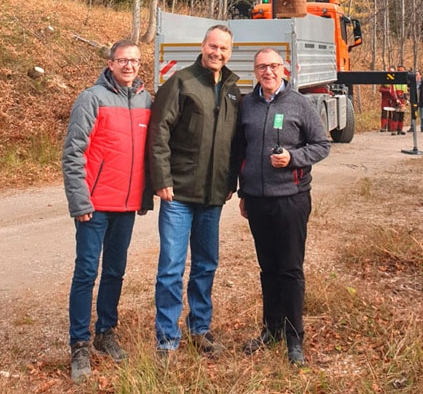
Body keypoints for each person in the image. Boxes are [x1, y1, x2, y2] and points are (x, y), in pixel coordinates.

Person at [62, 39, 152, 382]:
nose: (129, 66)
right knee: (86, 272)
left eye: (134, 61)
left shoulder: (145, 100)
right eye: (122, 60)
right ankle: (79, 344)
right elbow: (73, 153)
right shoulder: (91, 98)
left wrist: (143, 197)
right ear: (110, 64)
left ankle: (105, 333)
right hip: (94, 206)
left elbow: (147, 154)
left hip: (126, 206)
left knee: (115, 271)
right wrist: (79, 201)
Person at [148, 25, 241, 356]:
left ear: (231, 52)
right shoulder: (181, 81)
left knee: (206, 265)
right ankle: (167, 340)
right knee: (172, 268)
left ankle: (199, 329)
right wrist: (162, 178)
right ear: (203, 46)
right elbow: (159, 131)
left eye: (224, 49)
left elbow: (236, 143)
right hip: (179, 194)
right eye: (213, 46)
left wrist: (230, 184)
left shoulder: (232, 89)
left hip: (213, 196)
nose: (218, 53)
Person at [237, 47, 330, 365]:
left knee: (290, 270)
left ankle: (294, 338)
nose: (268, 72)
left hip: (291, 199)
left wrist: (293, 159)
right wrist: (243, 193)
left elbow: (322, 144)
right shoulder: (246, 104)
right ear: (255, 70)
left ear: (283, 69)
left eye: (274, 66)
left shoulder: (299, 103)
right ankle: (271, 329)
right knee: (268, 269)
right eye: (262, 67)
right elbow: (242, 150)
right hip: (258, 201)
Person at [390, 65, 408, 135]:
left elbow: (405, 91)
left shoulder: (404, 81)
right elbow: (392, 91)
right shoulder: (394, 80)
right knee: (395, 115)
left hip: (402, 99)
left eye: (402, 71)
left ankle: (400, 129)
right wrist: (396, 99)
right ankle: (394, 130)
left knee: (401, 115)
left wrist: (407, 100)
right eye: (399, 71)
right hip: (396, 100)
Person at [379, 67, 395, 132]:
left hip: (392, 99)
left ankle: (390, 127)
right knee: (384, 113)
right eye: (390, 71)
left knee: (392, 113)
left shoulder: (396, 80)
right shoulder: (384, 80)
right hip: (385, 99)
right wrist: (388, 90)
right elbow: (380, 89)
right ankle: (383, 127)